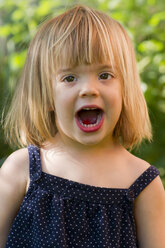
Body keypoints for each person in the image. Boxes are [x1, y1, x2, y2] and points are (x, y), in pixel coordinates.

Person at [0, 4, 165, 248]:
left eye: (105, 75)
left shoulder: (142, 183)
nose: (89, 89)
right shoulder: (23, 168)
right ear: (46, 96)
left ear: (125, 89)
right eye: (69, 78)